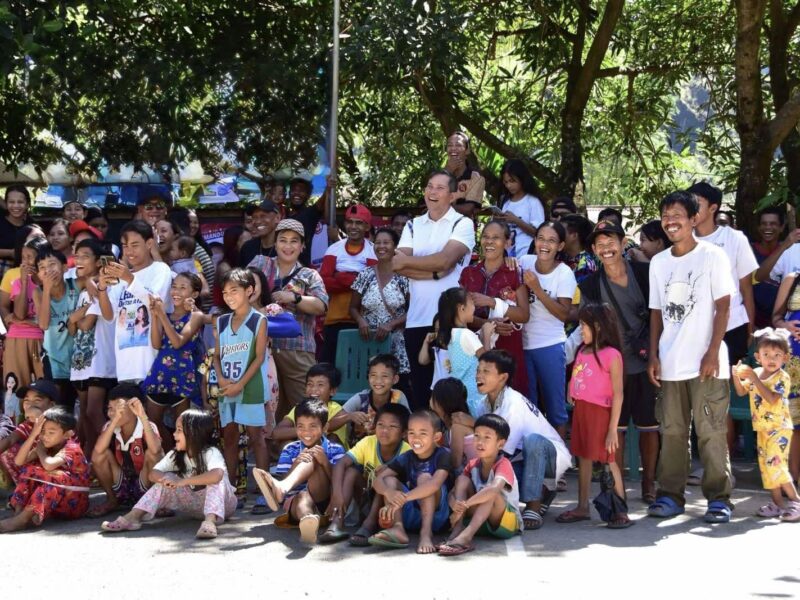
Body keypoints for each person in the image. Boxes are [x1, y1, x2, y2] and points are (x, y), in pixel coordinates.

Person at [647, 191, 736, 523]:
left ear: (694, 217)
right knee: (672, 431)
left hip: (707, 363)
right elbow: (656, 311)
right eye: (666, 215)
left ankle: (719, 498)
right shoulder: (659, 262)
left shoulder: (713, 256)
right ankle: (670, 496)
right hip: (670, 362)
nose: (671, 221)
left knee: (711, 430)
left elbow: (724, 306)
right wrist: (654, 354)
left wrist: (712, 351)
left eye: (677, 215)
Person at [579, 220, 659, 503]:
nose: (606, 248)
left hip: (646, 360)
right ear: (592, 250)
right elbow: (589, 326)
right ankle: (619, 486)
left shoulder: (645, 273)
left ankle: (649, 484)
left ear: (624, 243)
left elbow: (658, 315)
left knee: (650, 426)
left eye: (611, 241)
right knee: (618, 429)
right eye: (599, 244)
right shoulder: (590, 285)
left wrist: (655, 354)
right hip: (613, 367)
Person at [393, 170, 476, 409]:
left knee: (452, 391)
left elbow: (445, 261)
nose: (432, 192)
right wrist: (436, 272)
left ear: (452, 195)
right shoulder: (412, 224)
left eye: (440, 188)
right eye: (429, 186)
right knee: (420, 390)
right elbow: (399, 265)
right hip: (416, 318)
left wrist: (435, 265)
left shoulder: (463, 223)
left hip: (450, 320)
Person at [691, 182, 758, 449]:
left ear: (713, 207)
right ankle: (703, 459)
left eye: (696, 202)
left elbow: (746, 288)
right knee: (698, 393)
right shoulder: (685, 238)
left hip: (732, 326)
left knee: (724, 397)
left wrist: (751, 331)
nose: (691, 207)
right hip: (695, 329)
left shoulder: (734, 239)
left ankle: (723, 462)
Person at [101, 409, 237, 539]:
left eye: (179, 430)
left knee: (216, 481)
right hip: (195, 507)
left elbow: (217, 475)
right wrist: (165, 479)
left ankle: (210, 522)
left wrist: (182, 482)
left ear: (194, 434)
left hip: (224, 506)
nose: (174, 434)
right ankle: (133, 517)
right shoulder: (176, 454)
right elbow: (153, 474)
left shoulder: (211, 452)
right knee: (167, 478)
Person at [473, 350, 571, 531]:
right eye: (478, 370)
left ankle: (533, 505)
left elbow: (502, 451)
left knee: (532, 441)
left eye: (486, 371)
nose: (479, 375)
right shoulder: (482, 405)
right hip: (521, 457)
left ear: (503, 378)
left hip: (552, 456)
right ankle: (545, 491)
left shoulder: (514, 403)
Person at [557, 303, 630, 528]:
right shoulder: (582, 350)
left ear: (598, 327)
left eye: (584, 326)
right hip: (582, 411)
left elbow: (618, 393)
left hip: (602, 413)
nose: (581, 330)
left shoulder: (612, 355)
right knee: (583, 457)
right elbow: (578, 372)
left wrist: (612, 429)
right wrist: (571, 386)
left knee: (609, 460)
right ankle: (582, 506)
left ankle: (621, 510)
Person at [248, 219, 328, 420]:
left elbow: (321, 305)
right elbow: (241, 290)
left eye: (294, 241)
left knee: (305, 406)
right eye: (282, 240)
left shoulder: (310, 275)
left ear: (302, 246)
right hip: (260, 347)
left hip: (297, 349)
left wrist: (295, 297)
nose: (288, 246)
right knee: (267, 409)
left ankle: (309, 450)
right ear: (275, 244)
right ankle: (274, 451)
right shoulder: (260, 263)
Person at [214, 268, 271, 513]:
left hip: (251, 387)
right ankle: (232, 490)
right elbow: (216, 355)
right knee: (229, 435)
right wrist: (223, 378)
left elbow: (259, 358)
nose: (228, 296)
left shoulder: (259, 320)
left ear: (249, 291)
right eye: (225, 292)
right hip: (227, 387)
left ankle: (265, 491)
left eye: (234, 291)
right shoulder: (221, 321)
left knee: (256, 436)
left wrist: (240, 384)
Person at [253, 399, 346, 544]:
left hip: (326, 502)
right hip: (297, 504)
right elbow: (284, 475)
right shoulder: (290, 450)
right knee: (302, 497)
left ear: (325, 427)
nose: (306, 432)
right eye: (301, 426)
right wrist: (295, 464)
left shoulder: (336, 449)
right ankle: (308, 525)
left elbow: (340, 481)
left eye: (312, 426)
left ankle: (281, 488)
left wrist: (324, 462)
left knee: (314, 456)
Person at [731, 328, 800, 521]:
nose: (771, 359)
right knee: (766, 468)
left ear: (785, 358)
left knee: (777, 466)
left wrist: (753, 378)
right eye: (766, 354)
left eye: (777, 355)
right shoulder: (757, 372)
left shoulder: (782, 378)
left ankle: (796, 501)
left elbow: (771, 399)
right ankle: (777, 505)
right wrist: (737, 376)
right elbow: (741, 392)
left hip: (779, 429)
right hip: (762, 429)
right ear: (757, 357)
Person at [94, 220, 173, 384]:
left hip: (152, 361)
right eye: (125, 246)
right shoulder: (123, 276)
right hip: (124, 365)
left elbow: (154, 302)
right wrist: (102, 287)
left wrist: (129, 278)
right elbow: (109, 316)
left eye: (135, 245)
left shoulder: (160, 269)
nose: (129, 251)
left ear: (149, 243)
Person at [321, 403, 411, 545]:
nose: (385, 430)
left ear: (404, 433)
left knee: (385, 475)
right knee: (351, 472)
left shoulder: (407, 451)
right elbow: (340, 464)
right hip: (365, 498)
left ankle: (369, 525)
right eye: (380, 425)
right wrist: (337, 494)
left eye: (392, 427)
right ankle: (337, 523)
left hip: (392, 505)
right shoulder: (368, 442)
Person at [519, 221, 576, 436]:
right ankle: (530, 459)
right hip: (522, 344)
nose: (544, 244)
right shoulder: (524, 261)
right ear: (534, 241)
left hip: (550, 346)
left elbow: (563, 314)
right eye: (541, 238)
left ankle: (558, 464)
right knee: (528, 406)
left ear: (560, 246)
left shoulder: (564, 273)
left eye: (551, 240)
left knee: (555, 409)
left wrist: (537, 289)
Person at [460, 220, 530, 394]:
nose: (489, 241)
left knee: (510, 400)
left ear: (507, 242)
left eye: (496, 238)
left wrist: (492, 302)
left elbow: (524, 315)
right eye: (485, 237)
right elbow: (461, 315)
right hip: (475, 349)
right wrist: (488, 324)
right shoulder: (468, 274)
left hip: (508, 349)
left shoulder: (515, 272)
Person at [369, 410, 451, 554]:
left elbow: (435, 484)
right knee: (388, 479)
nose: (416, 438)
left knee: (425, 478)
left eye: (423, 433)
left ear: (436, 437)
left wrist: (403, 499)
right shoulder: (407, 457)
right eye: (412, 433)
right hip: (411, 514)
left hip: (436, 518)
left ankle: (426, 534)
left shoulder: (443, 455)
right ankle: (398, 528)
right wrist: (389, 493)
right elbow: (378, 480)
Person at [441, 413, 522, 555]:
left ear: (501, 443)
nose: (480, 442)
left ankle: (466, 537)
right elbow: (452, 492)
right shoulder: (472, 465)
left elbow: (493, 490)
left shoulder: (503, 463)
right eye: (476, 436)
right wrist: (455, 504)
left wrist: (465, 505)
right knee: (462, 480)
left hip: (506, 523)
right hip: (481, 521)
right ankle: (458, 528)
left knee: (491, 492)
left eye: (487, 437)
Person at [0, 407, 90, 532]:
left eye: (51, 432)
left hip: (75, 504)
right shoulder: (45, 444)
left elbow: (49, 464)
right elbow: (19, 461)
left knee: (51, 475)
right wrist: (33, 436)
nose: (45, 436)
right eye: (42, 431)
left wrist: (40, 450)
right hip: (55, 505)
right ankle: (19, 513)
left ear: (67, 434)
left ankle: (21, 520)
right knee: (28, 469)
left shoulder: (72, 447)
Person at [143, 272, 204, 450]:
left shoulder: (196, 316)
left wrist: (161, 315)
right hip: (160, 375)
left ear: (194, 294)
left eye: (183, 288)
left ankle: (184, 464)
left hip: (183, 376)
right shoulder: (165, 315)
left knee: (183, 427)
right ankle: (170, 456)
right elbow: (156, 343)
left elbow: (178, 342)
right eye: (174, 286)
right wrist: (156, 316)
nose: (176, 291)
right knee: (153, 424)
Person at [350, 227, 411, 395]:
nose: (381, 246)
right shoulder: (365, 274)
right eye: (377, 243)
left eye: (386, 242)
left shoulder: (405, 275)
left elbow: (414, 311)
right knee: (369, 387)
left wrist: (392, 324)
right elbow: (353, 307)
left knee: (397, 390)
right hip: (369, 341)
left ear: (395, 246)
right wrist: (360, 321)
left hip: (396, 343)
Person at [69, 239, 117, 453]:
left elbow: (85, 324)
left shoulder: (103, 288)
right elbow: (72, 328)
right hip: (81, 363)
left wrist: (75, 317)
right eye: (77, 256)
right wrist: (76, 317)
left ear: (98, 262)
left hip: (100, 362)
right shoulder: (83, 293)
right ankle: (90, 460)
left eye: (85, 256)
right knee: (86, 415)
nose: (79, 260)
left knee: (94, 412)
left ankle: (107, 457)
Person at [88, 384, 163, 517]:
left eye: (118, 409)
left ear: (134, 409)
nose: (112, 413)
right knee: (101, 455)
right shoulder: (110, 426)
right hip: (122, 485)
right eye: (110, 408)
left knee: (152, 454)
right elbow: (98, 452)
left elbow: (156, 450)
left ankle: (153, 503)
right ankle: (112, 500)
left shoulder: (148, 426)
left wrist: (143, 416)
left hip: (144, 483)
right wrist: (116, 418)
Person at [320, 203, 377, 364]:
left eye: (359, 223)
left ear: (367, 226)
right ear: (344, 224)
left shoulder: (373, 250)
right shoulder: (334, 249)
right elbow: (324, 282)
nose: (353, 226)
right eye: (350, 222)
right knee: (329, 367)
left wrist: (340, 277)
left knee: (357, 367)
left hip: (362, 322)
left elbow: (372, 286)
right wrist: (356, 279)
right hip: (334, 319)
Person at [436, 287, 495, 414]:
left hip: (465, 399)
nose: (474, 308)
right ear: (461, 308)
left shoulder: (452, 334)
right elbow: (487, 360)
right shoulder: (466, 335)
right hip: (477, 398)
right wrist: (487, 334)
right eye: (472, 304)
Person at [34, 246, 80, 408]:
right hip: (53, 358)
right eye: (42, 268)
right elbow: (44, 324)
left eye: (52, 264)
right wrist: (46, 290)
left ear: (65, 267)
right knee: (58, 405)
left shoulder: (75, 285)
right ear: (38, 275)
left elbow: (91, 282)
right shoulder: (39, 292)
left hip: (76, 357)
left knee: (73, 403)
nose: (48, 270)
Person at [4, 237, 49, 388]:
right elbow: (20, 314)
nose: (25, 262)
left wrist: (31, 322)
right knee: (15, 387)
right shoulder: (18, 282)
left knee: (44, 386)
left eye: (30, 257)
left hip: (44, 340)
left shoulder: (53, 282)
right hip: (17, 338)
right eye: (23, 257)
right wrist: (24, 283)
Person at [339, 354, 409, 447]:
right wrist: (349, 416)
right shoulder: (361, 398)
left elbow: (410, 427)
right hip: (360, 453)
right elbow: (331, 424)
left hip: (390, 450)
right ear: (368, 377)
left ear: (395, 379)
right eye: (373, 375)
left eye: (384, 376)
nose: (378, 380)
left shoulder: (398, 397)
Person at [272, 363, 349, 447]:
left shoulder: (336, 409)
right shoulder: (301, 407)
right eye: (310, 384)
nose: (314, 389)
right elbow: (276, 433)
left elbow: (330, 427)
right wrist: (305, 431)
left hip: (331, 457)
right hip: (304, 455)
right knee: (286, 444)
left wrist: (307, 431)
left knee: (331, 438)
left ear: (332, 391)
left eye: (320, 385)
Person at [770, 271, 800, 483]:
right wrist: (787, 326)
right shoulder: (793, 279)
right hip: (794, 363)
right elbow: (776, 319)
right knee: (793, 423)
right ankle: (792, 480)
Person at [0, 379, 57, 487]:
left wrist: (40, 421)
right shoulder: (27, 424)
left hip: (55, 469)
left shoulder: (59, 423)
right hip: (35, 469)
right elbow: (10, 440)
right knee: (7, 450)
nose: (30, 405)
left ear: (51, 405)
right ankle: (17, 487)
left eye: (37, 400)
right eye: (27, 401)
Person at [499, 159, 545, 258]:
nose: (509, 185)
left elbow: (540, 234)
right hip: (507, 257)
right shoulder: (506, 203)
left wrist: (516, 221)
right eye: (506, 182)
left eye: (512, 181)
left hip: (527, 255)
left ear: (522, 179)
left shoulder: (533, 202)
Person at [429, 377, 475, 473]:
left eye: (433, 396)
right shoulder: (449, 425)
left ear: (441, 402)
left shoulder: (457, 427)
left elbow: (456, 463)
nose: (430, 400)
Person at [752, 207, 786, 327]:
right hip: (753, 323)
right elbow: (757, 277)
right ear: (758, 227)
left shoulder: (790, 252)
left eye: (773, 224)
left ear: (782, 228)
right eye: (764, 224)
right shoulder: (749, 251)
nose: (768, 227)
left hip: (783, 323)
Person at [0, 185, 33, 281]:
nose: (16, 206)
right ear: (6, 204)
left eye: (20, 202)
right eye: (11, 202)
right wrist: (10, 253)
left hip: (24, 276)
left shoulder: (32, 226)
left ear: (27, 204)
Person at [237, 199, 281, 267]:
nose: (258, 221)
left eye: (263, 216)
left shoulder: (287, 248)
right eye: (254, 217)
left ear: (277, 218)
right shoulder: (248, 248)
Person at [559, 214, 597, 284]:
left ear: (574, 236)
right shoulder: (562, 256)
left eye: (560, 231)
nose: (556, 234)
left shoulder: (586, 265)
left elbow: (581, 294)